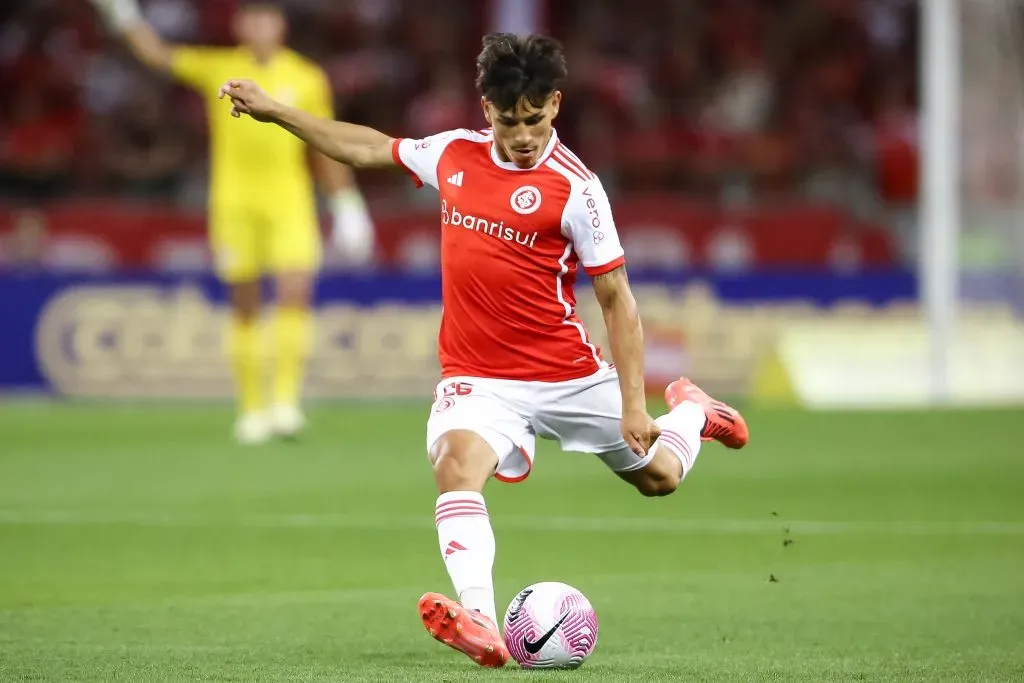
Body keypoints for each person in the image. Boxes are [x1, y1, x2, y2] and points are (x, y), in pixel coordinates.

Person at [218, 33, 750, 667]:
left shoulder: (577, 189)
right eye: (507, 121)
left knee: (659, 477)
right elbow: (364, 147)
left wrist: (639, 406)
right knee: (454, 463)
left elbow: (618, 303)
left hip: (566, 372)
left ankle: (692, 411)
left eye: (534, 118)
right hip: (478, 376)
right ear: (484, 109)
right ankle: (480, 620)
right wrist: (278, 111)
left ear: (555, 104)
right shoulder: (453, 154)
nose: (522, 135)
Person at [89, 0, 375, 444]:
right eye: (252, 19)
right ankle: (252, 409)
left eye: (268, 19)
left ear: (280, 25)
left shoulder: (306, 76)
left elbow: (324, 141)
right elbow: (157, 55)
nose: (260, 26)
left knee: (295, 293)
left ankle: (285, 403)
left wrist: (346, 204)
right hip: (233, 204)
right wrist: (123, 16)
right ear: (241, 25)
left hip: (290, 202)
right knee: (244, 304)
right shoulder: (219, 66)